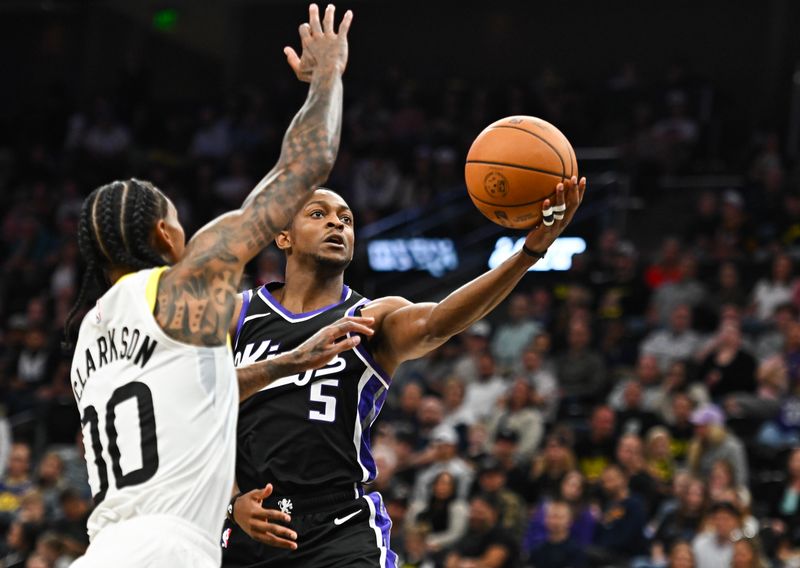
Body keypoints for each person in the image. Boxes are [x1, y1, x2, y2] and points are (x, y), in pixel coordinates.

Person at [64, 6, 360, 566]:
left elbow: (187, 399)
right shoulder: (181, 289)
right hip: (171, 549)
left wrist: (284, 364)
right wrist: (328, 76)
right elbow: (307, 166)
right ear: (163, 233)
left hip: (104, 547)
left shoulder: (88, 335)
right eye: (180, 221)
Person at [223, 170, 586, 565]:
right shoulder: (239, 313)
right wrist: (231, 500)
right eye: (318, 214)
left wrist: (527, 254)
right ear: (283, 237)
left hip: (338, 526)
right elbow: (192, 410)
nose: (336, 223)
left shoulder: (371, 317)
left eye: (346, 219)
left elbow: (440, 321)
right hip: (251, 523)